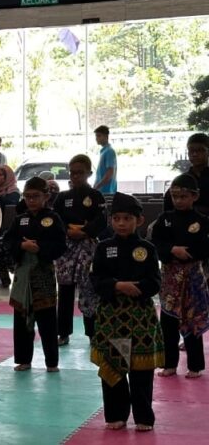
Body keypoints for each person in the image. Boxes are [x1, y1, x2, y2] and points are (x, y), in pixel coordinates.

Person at [90, 192, 164, 432]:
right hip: (112, 316)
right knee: (114, 366)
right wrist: (117, 285)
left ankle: (144, 417)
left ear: (139, 220)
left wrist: (137, 288)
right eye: (116, 219)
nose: (121, 223)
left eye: (127, 219)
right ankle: (116, 414)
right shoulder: (103, 247)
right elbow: (96, 279)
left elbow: (155, 282)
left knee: (141, 371)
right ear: (111, 220)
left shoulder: (147, 248)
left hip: (140, 316)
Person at [6, 177, 67, 372]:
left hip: (43, 274)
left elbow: (60, 245)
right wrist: (21, 245)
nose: (31, 200)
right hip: (23, 275)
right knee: (22, 318)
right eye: (28, 196)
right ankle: (24, 359)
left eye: (35, 196)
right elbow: (7, 241)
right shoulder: (19, 219)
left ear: (46, 196)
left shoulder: (53, 218)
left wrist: (39, 248)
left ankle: (51, 362)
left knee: (47, 320)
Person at [151, 174, 209, 378]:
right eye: (175, 196)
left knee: (192, 321)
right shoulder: (164, 219)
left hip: (193, 277)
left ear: (195, 196)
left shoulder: (202, 221)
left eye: (183, 196)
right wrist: (172, 250)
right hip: (170, 278)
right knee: (168, 322)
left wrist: (188, 252)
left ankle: (195, 366)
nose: (179, 201)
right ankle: (169, 364)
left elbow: (205, 247)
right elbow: (155, 243)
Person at [53, 154, 107, 345]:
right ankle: (63, 333)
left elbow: (102, 221)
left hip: (88, 245)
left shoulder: (96, 196)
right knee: (65, 290)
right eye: (73, 172)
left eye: (80, 173)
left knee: (89, 289)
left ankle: (92, 333)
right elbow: (55, 219)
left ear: (89, 173)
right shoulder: (62, 197)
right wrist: (68, 231)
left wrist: (85, 231)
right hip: (66, 248)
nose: (76, 176)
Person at [164, 133, 209, 214]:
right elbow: (168, 208)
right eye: (191, 151)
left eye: (200, 150)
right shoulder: (182, 180)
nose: (194, 154)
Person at [93, 126, 118, 195]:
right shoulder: (104, 151)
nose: (96, 138)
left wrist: (97, 187)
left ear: (106, 136)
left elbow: (109, 173)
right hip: (102, 190)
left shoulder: (109, 151)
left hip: (107, 191)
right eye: (96, 136)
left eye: (99, 136)